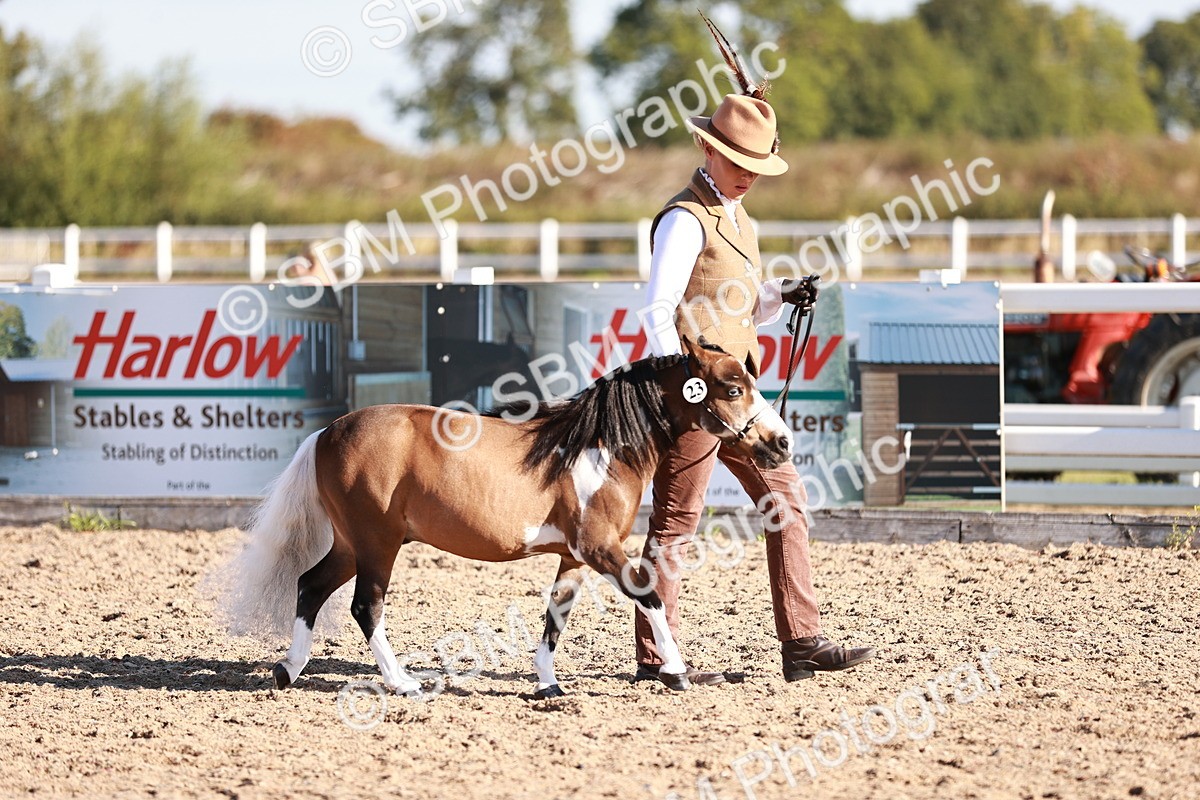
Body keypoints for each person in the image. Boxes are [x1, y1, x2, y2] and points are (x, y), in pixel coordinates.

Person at [635, 93, 875, 688]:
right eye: (739, 162)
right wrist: (683, 384)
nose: (747, 176)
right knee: (676, 520)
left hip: (739, 397)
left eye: (757, 167)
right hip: (696, 398)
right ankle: (655, 658)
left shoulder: (740, 219)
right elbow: (657, 311)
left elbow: (738, 310)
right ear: (708, 148)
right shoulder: (684, 220)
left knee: (786, 500)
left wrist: (780, 295)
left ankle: (802, 643)